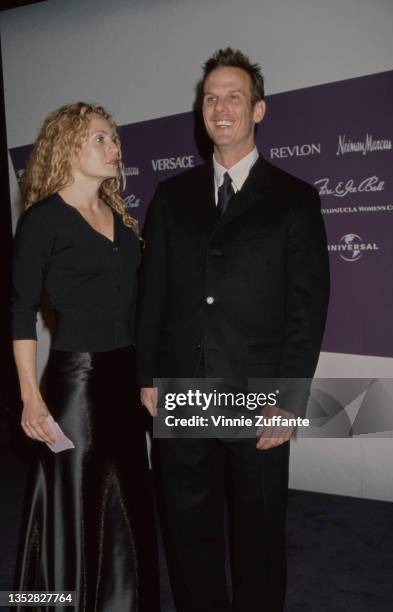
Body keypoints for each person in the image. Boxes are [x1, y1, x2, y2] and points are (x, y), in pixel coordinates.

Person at [136, 48, 330, 612]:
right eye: (210, 98)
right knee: (188, 532)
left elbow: (307, 308)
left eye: (234, 97)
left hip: (259, 393)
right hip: (184, 389)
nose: (220, 108)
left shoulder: (295, 200)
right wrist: (149, 375)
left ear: (259, 110)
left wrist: (289, 399)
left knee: (260, 536)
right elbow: (152, 296)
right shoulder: (172, 198)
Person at [11, 102, 160, 612]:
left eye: (114, 138)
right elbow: (19, 312)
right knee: (75, 508)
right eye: (100, 137)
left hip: (127, 381)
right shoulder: (43, 220)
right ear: (68, 145)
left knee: (127, 505)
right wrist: (30, 399)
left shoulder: (120, 221)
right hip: (76, 385)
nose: (114, 147)